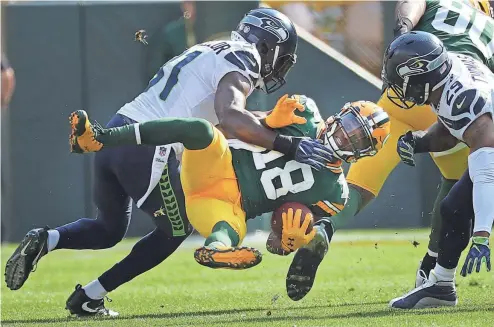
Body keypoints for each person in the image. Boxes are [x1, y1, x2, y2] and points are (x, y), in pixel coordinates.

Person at [5, 8, 334, 317]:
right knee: (176, 230)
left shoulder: (211, 48)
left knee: (108, 229)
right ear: (266, 45)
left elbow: (219, 121)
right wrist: (286, 144)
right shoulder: (244, 58)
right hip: (149, 149)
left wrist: (268, 127)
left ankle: (46, 239)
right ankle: (91, 296)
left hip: (120, 131)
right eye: (281, 58)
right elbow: (231, 116)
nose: (280, 68)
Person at [281, 0, 494, 302]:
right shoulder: (487, 28)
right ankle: (433, 268)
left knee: (363, 179)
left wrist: (403, 30)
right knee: (456, 185)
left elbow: (410, 5)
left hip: (407, 87)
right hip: (441, 92)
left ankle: (327, 227)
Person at [69, 96, 390, 270]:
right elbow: (230, 124)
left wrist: (287, 240)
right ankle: (101, 137)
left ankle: (215, 251)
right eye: (349, 125)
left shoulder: (335, 193)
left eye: (357, 137)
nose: (345, 135)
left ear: (364, 152)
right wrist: (267, 121)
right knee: (200, 130)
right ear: (340, 113)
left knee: (230, 230)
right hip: (216, 162)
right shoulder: (304, 114)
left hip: (229, 205)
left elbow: (273, 245)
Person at [384, 31, 494, 309]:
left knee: (461, 205)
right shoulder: (447, 76)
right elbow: (453, 126)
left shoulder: (466, 99)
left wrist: (481, 234)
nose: (399, 90)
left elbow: (487, 174)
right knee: (453, 208)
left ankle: (441, 284)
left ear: (421, 74)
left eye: (402, 83)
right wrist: (421, 141)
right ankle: (441, 286)